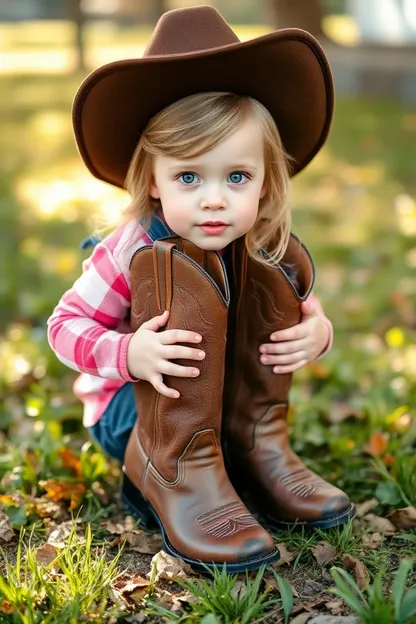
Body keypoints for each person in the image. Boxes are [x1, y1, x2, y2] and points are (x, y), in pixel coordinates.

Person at [47, 6, 354, 573]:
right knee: (159, 361)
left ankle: (256, 447)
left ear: (265, 184)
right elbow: (63, 327)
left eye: (236, 177)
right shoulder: (130, 248)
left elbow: (308, 313)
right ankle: (174, 474)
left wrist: (317, 332)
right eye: (189, 176)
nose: (215, 199)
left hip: (225, 410)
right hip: (133, 415)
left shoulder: (266, 243)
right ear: (154, 182)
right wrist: (128, 353)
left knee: (276, 281)